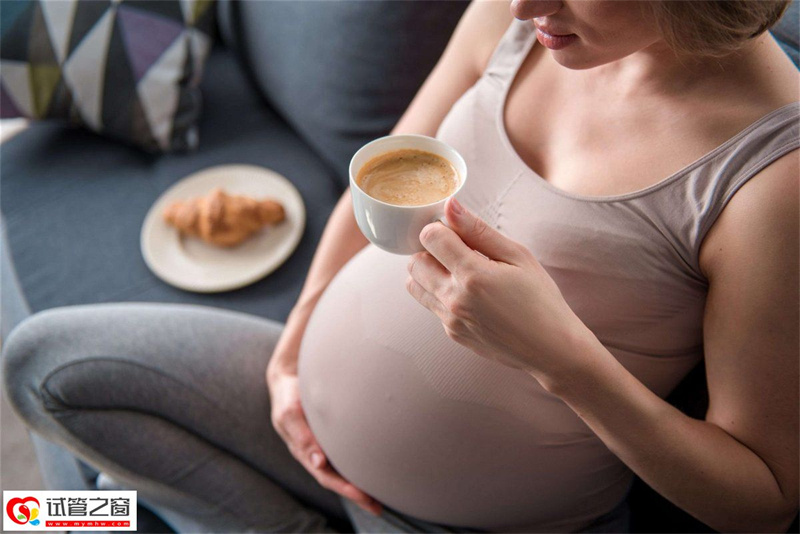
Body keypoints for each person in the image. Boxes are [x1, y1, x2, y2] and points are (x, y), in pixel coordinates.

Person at [3, 1, 798, 532]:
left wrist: (562, 360)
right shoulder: (518, 16)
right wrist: (293, 347)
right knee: (42, 365)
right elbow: (377, 175)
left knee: (74, 513)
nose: (524, 4)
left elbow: (763, 501)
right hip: (304, 413)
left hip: (467, 521)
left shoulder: (773, 175)